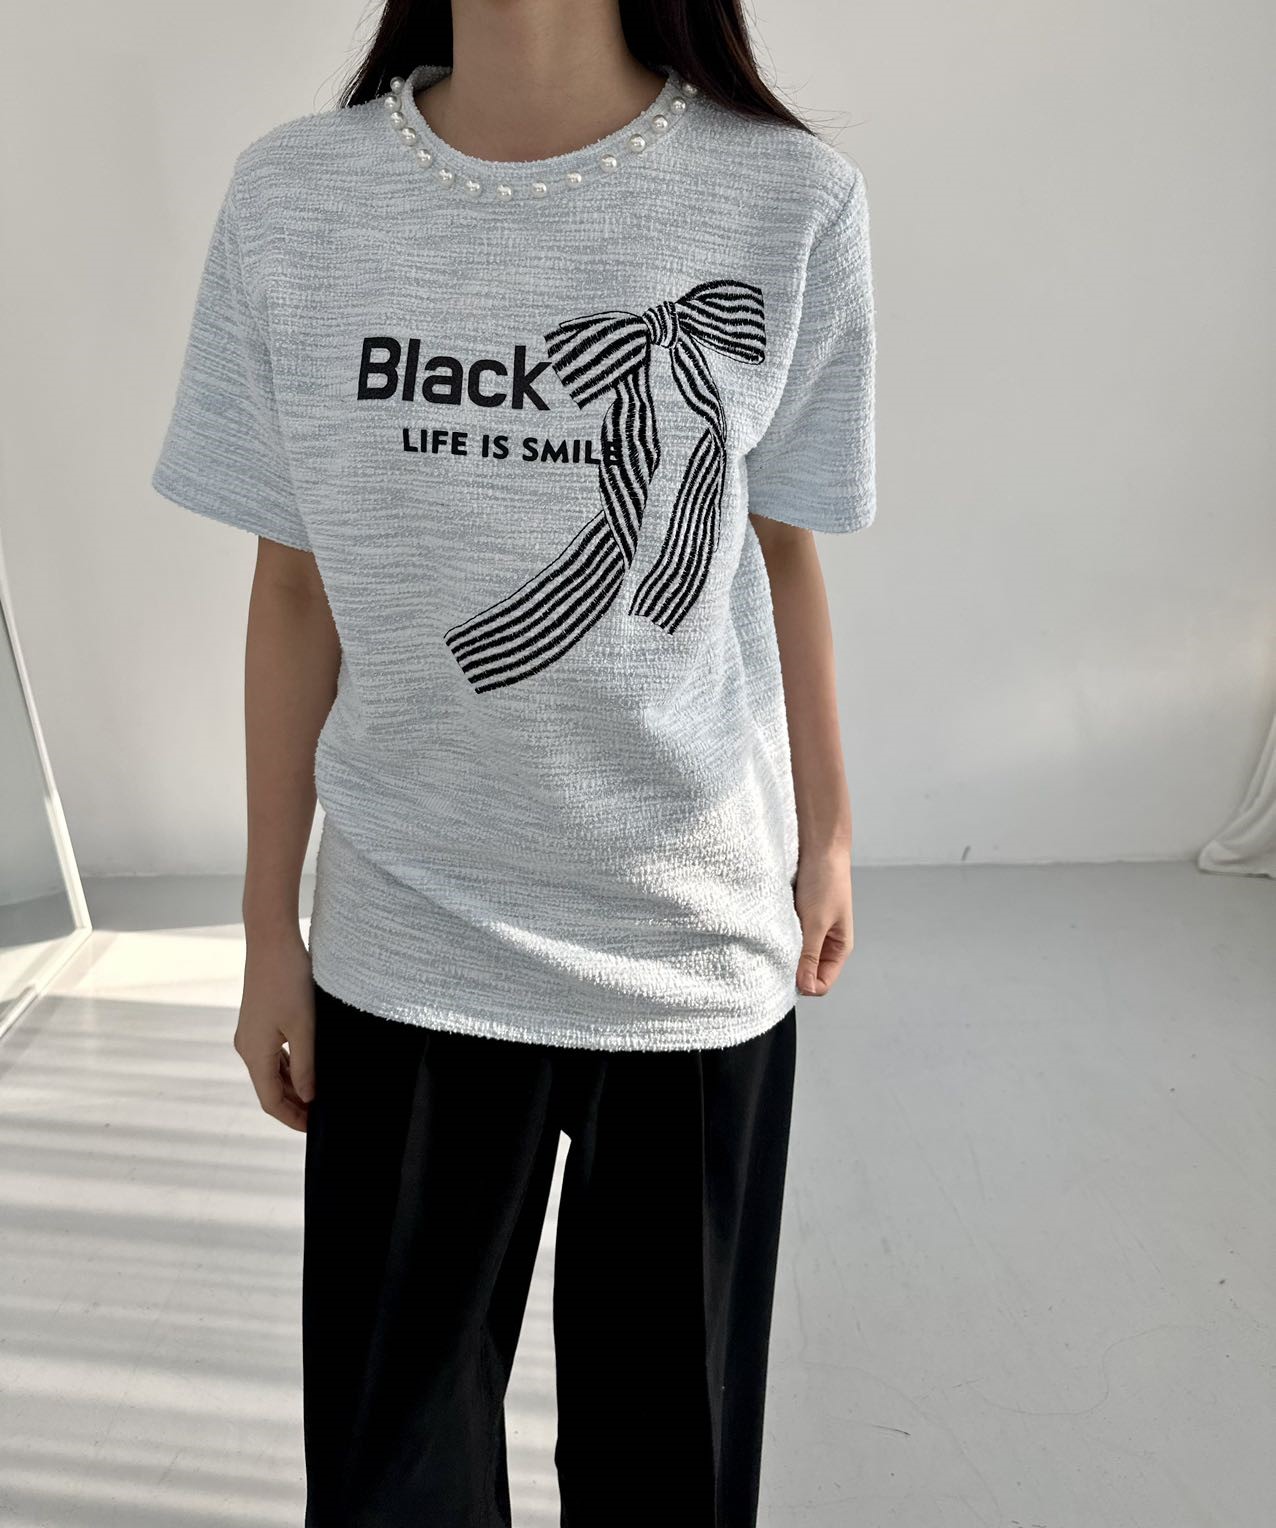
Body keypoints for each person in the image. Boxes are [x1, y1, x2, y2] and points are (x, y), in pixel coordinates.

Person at [151, 0, 876, 1521]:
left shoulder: (788, 196)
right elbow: (294, 589)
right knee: (391, 1478)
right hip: (409, 938)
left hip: (688, 950)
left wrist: (827, 836)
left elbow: (783, 549)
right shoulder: (296, 198)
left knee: (671, 1474)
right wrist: (267, 928)